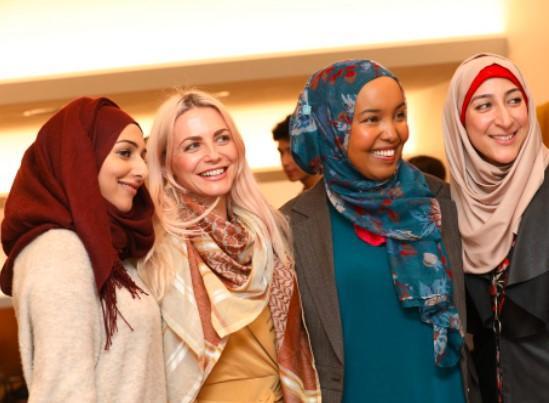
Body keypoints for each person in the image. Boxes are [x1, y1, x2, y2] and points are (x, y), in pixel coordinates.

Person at [282, 60, 479, 403]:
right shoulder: (292, 225)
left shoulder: (440, 201)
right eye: (372, 119)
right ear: (332, 127)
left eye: (399, 115)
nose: (392, 132)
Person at [139, 89, 320, 402]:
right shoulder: (154, 249)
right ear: (167, 163)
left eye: (221, 138)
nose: (213, 154)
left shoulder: (272, 235)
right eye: (192, 145)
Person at [0, 97, 166, 401]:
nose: (141, 169)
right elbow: (63, 391)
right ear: (80, 157)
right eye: (125, 153)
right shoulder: (59, 252)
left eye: (142, 155)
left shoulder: (106, 247)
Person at [442, 53, 549, 403]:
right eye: (484, 105)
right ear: (460, 121)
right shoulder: (448, 212)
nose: (505, 119)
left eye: (514, 100)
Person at [272, 114, 321, 190]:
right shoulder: (302, 199)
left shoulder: (336, 195)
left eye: (291, 152)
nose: (285, 162)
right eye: (281, 153)